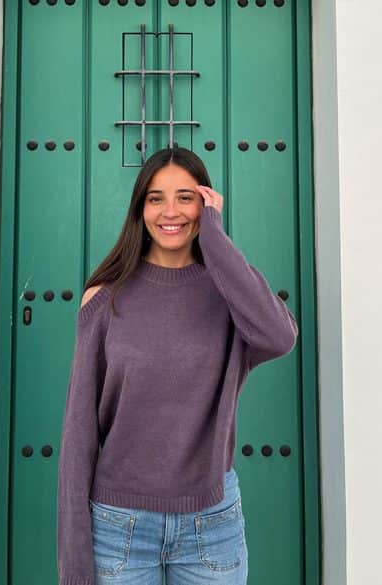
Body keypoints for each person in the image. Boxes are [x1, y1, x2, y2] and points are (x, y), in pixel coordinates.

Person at [57, 147, 298, 585]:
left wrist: (216, 239)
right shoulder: (105, 300)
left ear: (205, 205)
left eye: (186, 198)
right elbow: (78, 435)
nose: (171, 211)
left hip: (211, 525)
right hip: (119, 527)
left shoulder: (229, 298)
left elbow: (279, 337)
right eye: (156, 198)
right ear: (140, 208)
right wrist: (74, 565)